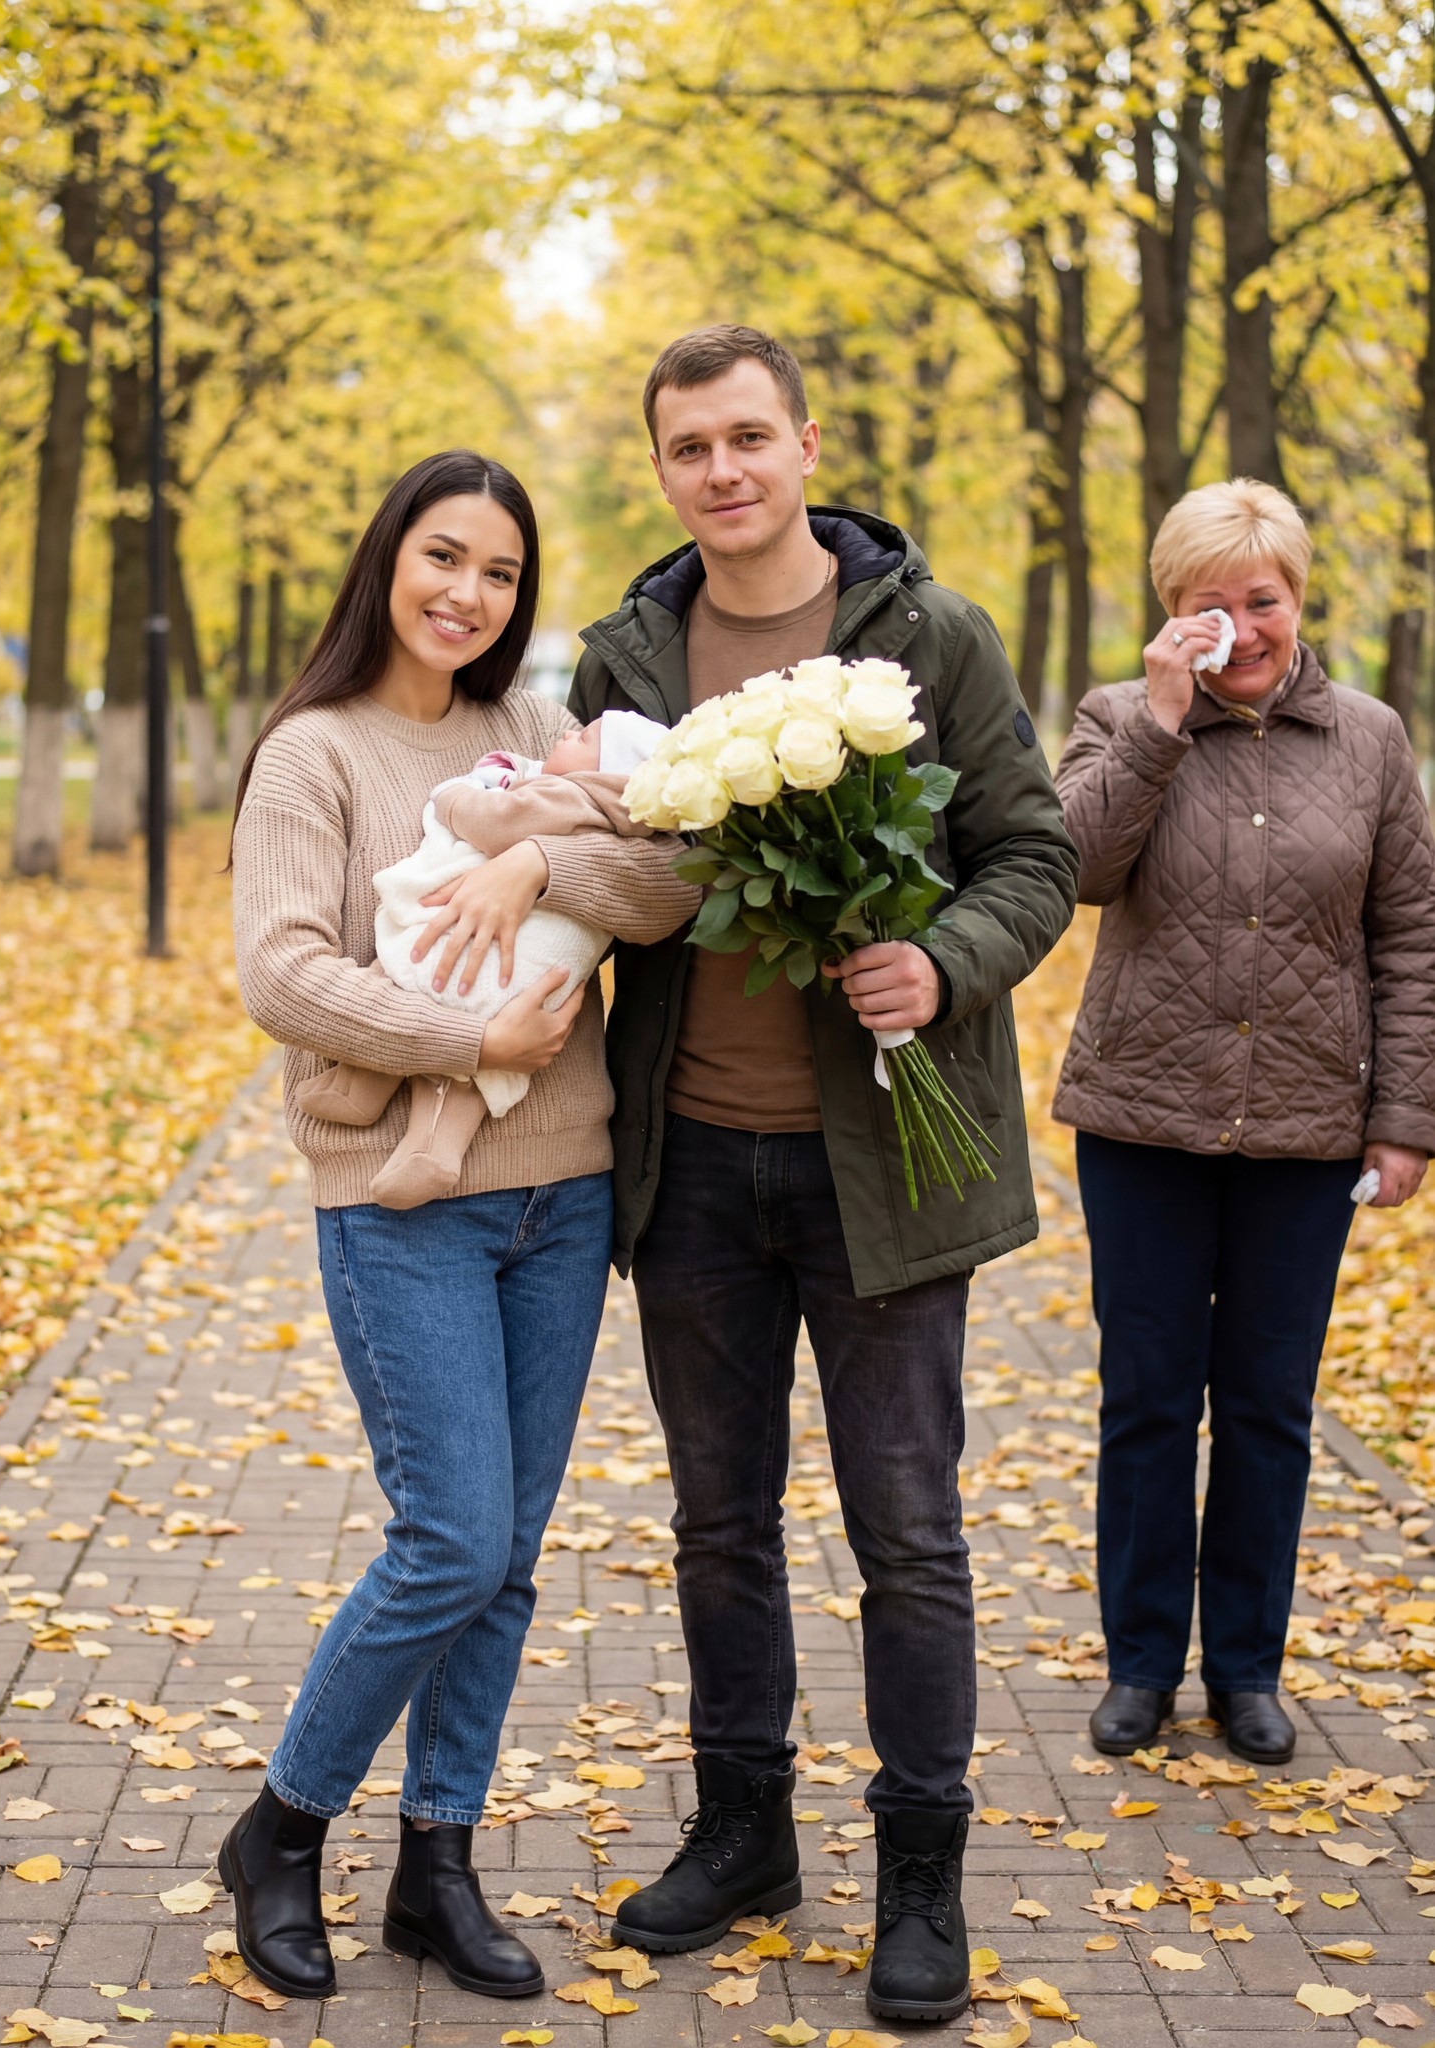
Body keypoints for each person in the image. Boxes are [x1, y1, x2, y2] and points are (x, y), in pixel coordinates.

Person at [568, 325, 1079, 2024]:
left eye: (746, 437)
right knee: (719, 1525)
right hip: (696, 1165)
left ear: (804, 445)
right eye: (687, 446)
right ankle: (744, 1830)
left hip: (888, 1173)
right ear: (662, 470)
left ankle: (922, 1865)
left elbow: (1037, 849)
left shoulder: (925, 634)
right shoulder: (626, 659)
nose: (721, 469)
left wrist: (940, 957)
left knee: (910, 1533)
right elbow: (598, 880)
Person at [226, 450, 694, 2003]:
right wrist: (466, 1043)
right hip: (399, 1200)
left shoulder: (528, 730)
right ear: (387, 562)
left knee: (506, 1563)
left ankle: (439, 1866)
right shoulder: (313, 756)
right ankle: (284, 1830)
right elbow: (283, 974)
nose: (465, 594)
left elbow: (668, 879)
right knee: (450, 1540)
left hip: (559, 1198)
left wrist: (540, 858)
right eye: (442, 558)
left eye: (496, 573)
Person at [1054, 479, 1435, 1767]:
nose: (1239, 625)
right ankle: (1142, 1663)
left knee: (1270, 1407)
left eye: (1260, 598)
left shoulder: (1373, 741)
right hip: (1142, 1121)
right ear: (1171, 614)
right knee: (1149, 1401)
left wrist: (1406, 1120)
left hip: (1308, 1127)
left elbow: (1412, 937)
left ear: (1298, 597)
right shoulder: (1117, 716)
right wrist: (1159, 721)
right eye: (1206, 604)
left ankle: (1247, 1669)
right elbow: (1075, 870)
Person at [291, 708, 668, 1208]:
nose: (565, 733)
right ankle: (380, 1099)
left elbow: (497, 822)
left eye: (584, 738)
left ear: (607, 773)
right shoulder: (309, 747)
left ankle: (391, 1111)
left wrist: (454, 799)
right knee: (446, 1023)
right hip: (535, 974)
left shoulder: (570, 793)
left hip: (507, 966)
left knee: (417, 971)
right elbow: (284, 976)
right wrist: (481, 1044)